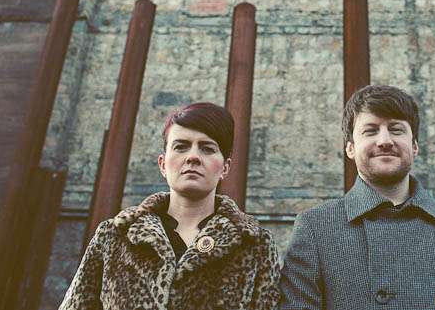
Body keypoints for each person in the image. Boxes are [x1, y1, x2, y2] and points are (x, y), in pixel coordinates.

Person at [280, 85, 435, 310]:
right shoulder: (316, 227)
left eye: (396, 130)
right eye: (370, 131)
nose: (385, 141)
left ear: (414, 146)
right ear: (350, 148)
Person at [60, 102, 280, 310]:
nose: (193, 157)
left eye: (207, 149)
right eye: (181, 147)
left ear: (225, 167)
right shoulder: (114, 236)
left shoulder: (255, 245)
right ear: (163, 164)